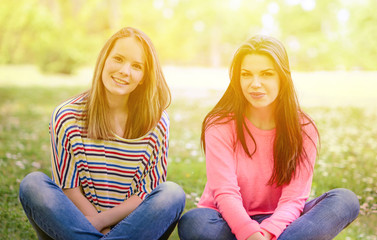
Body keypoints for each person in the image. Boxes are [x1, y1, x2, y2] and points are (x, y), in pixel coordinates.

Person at [177, 35, 359, 240]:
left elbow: (293, 200)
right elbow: (225, 193)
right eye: (246, 74)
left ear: (282, 77)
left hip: (282, 223)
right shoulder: (219, 125)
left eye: (266, 74)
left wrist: (267, 232)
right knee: (194, 222)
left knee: (345, 200)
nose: (255, 84)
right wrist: (251, 234)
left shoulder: (304, 129)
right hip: (225, 220)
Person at [19, 27, 185, 240]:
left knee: (172, 193)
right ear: (103, 60)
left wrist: (102, 221)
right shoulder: (67, 116)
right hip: (78, 223)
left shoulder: (157, 123)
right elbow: (69, 188)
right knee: (33, 184)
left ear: (144, 76)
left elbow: (147, 192)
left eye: (136, 66)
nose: (125, 70)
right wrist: (99, 228)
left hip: (134, 226)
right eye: (118, 59)